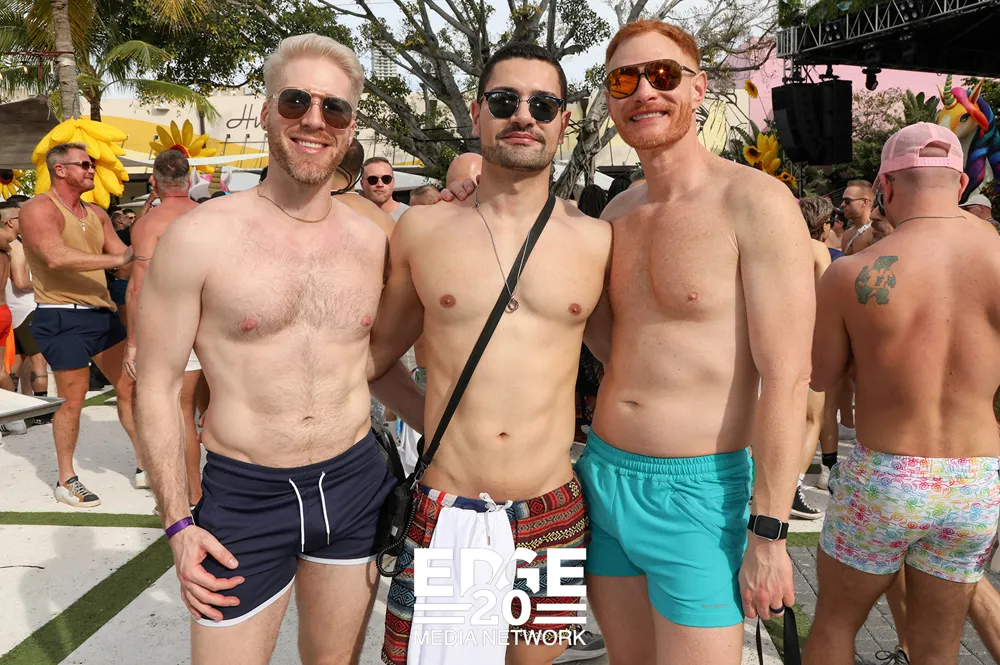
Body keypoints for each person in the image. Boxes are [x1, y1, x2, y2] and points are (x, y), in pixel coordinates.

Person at [133, 34, 424, 664]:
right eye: (296, 101)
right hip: (246, 494)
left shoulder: (374, 240)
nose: (315, 120)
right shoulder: (199, 238)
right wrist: (178, 524)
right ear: (266, 112)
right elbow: (155, 385)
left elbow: (374, 366)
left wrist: (456, 434)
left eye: (334, 108)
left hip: (355, 483)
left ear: (350, 129)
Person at [576, 20, 812, 664]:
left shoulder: (754, 201)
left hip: (699, 492)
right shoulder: (618, 213)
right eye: (624, 80)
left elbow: (788, 376)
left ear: (699, 87)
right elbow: (615, 346)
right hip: (604, 476)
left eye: (662, 74)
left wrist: (770, 534)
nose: (644, 92)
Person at [369, 42, 611, 665]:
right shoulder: (424, 230)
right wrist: (437, 429)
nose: (523, 115)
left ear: (564, 121)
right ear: (477, 113)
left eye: (543, 104)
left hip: (553, 513)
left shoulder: (596, 239)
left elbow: (635, 362)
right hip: (453, 509)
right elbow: (375, 362)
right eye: (505, 101)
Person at [803, 123, 1000, 665]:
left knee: (835, 624)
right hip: (975, 476)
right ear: (961, 183)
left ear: (885, 186)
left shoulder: (853, 272)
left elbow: (820, 376)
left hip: (886, 472)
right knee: (938, 645)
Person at [19, 142, 137, 508]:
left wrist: (150, 245)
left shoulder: (97, 213)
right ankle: (66, 479)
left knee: (131, 389)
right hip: (61, 314)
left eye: (92, 165)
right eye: (84, 164)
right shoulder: (38, 208)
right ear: (60, 170)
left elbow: (125, 264)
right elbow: (55, 257)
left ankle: (146, 463)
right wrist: (120, 259)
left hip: (101, 312)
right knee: (73, 400)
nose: (91, 170)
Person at [124, 150, 204, 508]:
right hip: (214, 324)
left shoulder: (149, 223)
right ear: (188, 179)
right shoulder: (209, 215)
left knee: (179, 412)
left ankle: (192, 493)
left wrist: (132, 343)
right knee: (214, 409)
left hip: (174, 325)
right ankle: (207, 489)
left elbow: (137, 288)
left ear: (154, 181)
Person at [790, 196, 835, 519]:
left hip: (767, 337)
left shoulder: (773, 244)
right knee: (810, 419)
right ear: (824, 225)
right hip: (806, 340)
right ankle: (792, 488)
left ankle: (757, 480)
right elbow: (828, 300)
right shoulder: (817, 250)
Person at [2, 198, 50, 408]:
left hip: (12, 309)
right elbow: (21, 283)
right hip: (24, 309)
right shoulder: (14, 245)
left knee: (15, 361)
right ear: (10, 221)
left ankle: (15, 409)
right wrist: (46, 283)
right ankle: (39, 411)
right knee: (38, 359)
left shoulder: (8, 244)